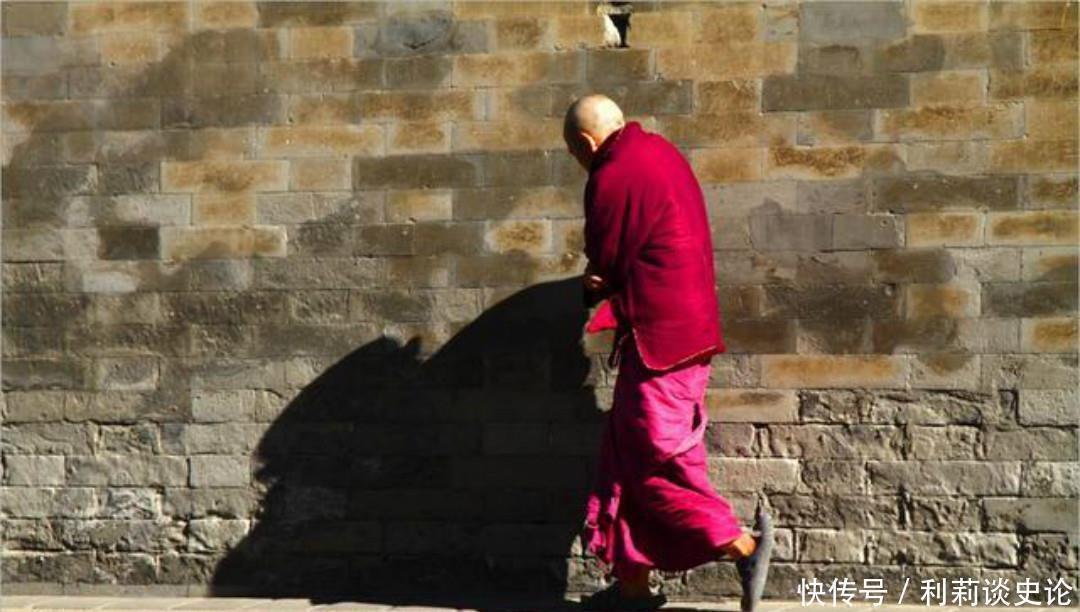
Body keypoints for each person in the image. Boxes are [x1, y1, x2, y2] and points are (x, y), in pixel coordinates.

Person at [564, 94, 775, 612]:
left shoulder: (611, 176)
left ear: (588, 144)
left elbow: (606, 260)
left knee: (651, 462)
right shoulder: (661, 153)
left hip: (663, 341)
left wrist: (595, 285)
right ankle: (633, 588)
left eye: (576, 154)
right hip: (681, 334)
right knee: (623, 452)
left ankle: (742, 547)